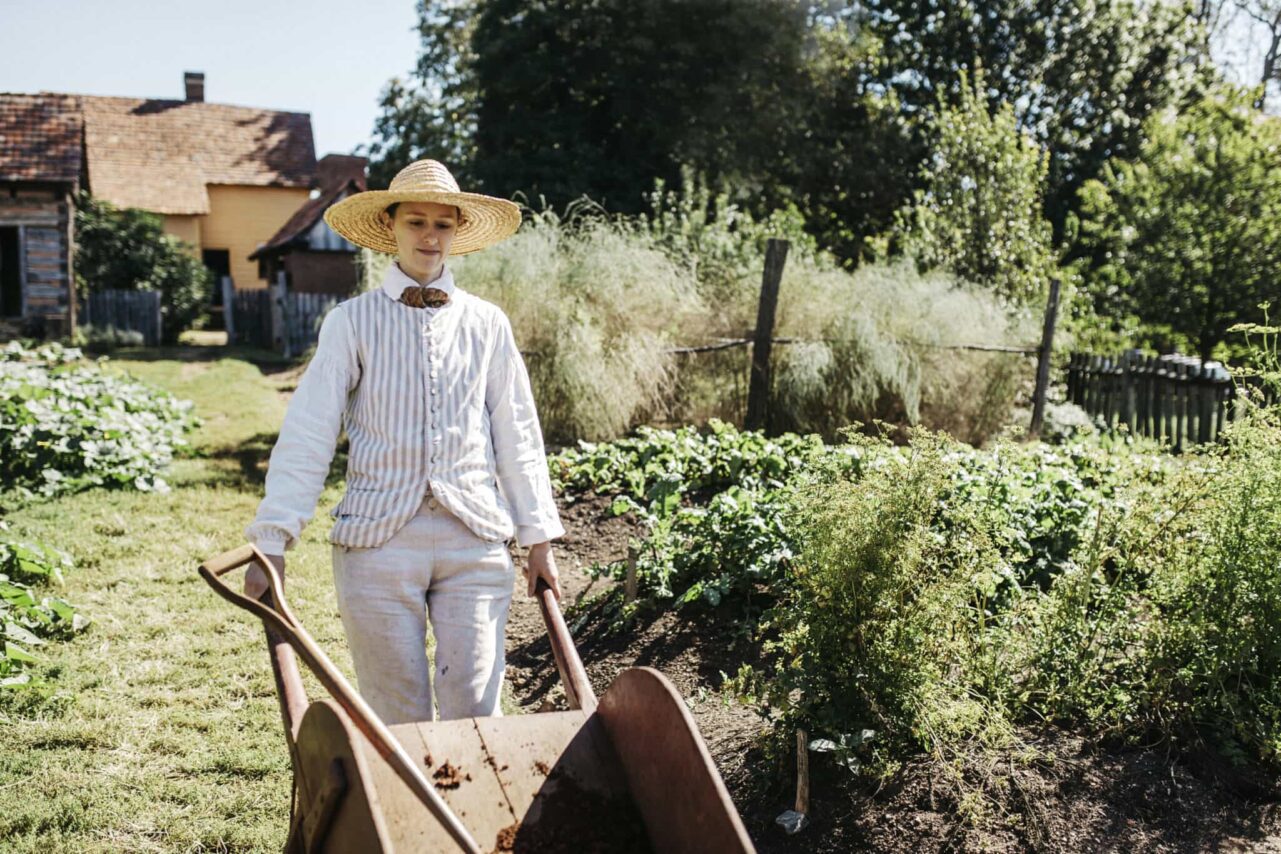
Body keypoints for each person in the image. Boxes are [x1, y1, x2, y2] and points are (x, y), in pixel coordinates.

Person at [243, 159, 564, 726]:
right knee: (399, 719)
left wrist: (538, 536)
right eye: (416, 221)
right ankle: (405, 816)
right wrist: (273, 539)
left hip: (475, 540)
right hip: (377, 543)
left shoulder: (487, 324)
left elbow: (517, 430)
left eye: (443, 224)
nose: (430, 236)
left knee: (475, 715)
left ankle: (469, 818)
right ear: (390, 226)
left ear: (457, 232)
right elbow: (310, 431)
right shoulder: (351, 323)